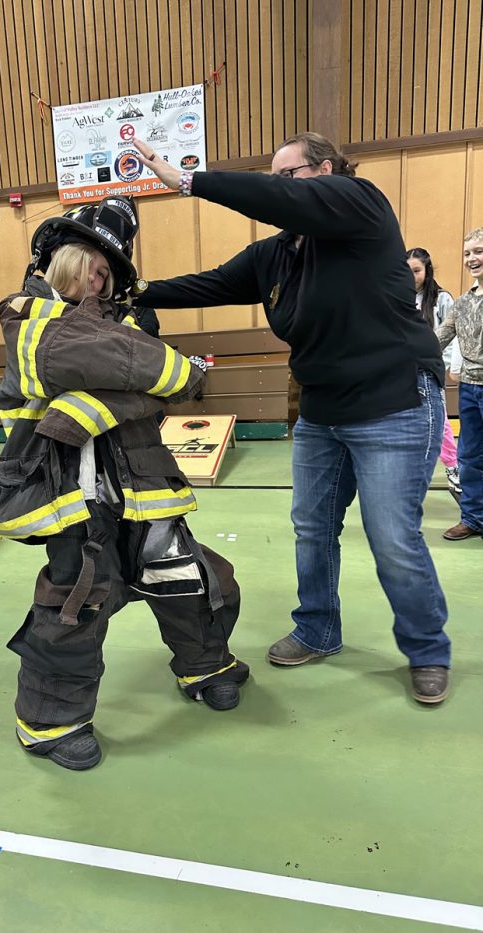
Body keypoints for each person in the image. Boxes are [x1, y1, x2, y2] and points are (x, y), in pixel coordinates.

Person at [133, 131, 450, 705]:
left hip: (394, 402)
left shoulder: (361, 205)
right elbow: (212, 284)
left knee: (393, 538)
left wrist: (189, 181)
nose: (280, 189)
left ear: (325, 170)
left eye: (288, 176)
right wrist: (131, 293)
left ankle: (427, 650)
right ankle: (318, 630)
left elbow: (285, 201)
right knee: (312, 527)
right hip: (324, 410)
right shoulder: (277, 254)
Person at [0, 196, 249, 771]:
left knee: (184, 574)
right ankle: (50, 723)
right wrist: (156, 380)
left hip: (143, 481)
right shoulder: (26, 315)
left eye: (108, 273)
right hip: (67, 492)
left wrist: (96, 399)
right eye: (90, 266)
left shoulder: (124, 325)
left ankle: (207, 666)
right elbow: (157, 370)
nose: (98, 281)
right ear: (59, 260)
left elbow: (174, 377)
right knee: (78, 599)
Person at [436, 227, 483, 541]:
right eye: (467, 253)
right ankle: (474, 518)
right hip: (469, 388)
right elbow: (437, 339)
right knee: (468, 456)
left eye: (478, 251)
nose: (471, 258)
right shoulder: (463, 303)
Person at [406, 247, 462, 499]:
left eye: (416, 270)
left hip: (432, 371)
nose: (412, 276)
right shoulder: (401, 298)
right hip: (404, 372)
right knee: (409, 423)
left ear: (427, 270)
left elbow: (450, 337)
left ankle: (452, 467)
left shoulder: (442, 299)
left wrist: (445, 366)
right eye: (407, 271)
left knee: (438, 423)